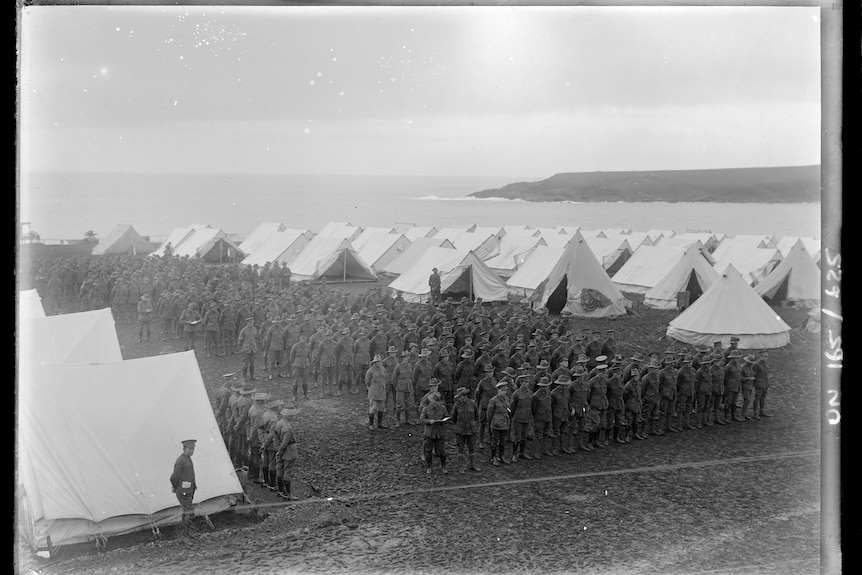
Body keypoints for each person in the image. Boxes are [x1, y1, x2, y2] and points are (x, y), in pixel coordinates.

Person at [170, 439, 197, 544]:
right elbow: (174, 477)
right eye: (190, 449)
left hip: (189, 490)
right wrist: (175, 486)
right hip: (183, 491)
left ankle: (187, 534)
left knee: (187, 512)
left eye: (193, 449)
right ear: (184, 449)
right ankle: (184, 536)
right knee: (189, 512)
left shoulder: (188, 459)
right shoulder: (180, 460)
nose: (192, 451)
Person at [450, 386, 480, 474]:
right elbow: (454, 417)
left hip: (471, 429)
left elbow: (476, 416)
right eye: (458, 397)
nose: (459, 399)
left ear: (465, 395)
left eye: (460, 396)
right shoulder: (457, 405)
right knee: (460, 448)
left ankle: (472, 465)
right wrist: (459, 424)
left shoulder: (473, 403)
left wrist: (474, 425)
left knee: (472, 447)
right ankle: (461, 467)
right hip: (460, 429)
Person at [419, 391, 450, 475]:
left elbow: (446, 417)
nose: (435, 404)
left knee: (442, 451)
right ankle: (429, 467)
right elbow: (421, 419)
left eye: (437, 402)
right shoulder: (426, 409)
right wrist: (429, 421)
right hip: (429, 433)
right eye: (434, 402)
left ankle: (444, 467)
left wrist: (444, 421)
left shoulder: (443, 408)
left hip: (440, 433)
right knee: (428, 451)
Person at [275, 406, 301, 500]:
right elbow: (285, 442)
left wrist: (278, 450)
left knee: (280, 470)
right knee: (287, 471)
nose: (293, 417)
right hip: (288, 451)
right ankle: (288, 493)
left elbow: (276, 436)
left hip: (281, 449)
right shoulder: (288, 427)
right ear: (289, 416)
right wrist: (280, 451)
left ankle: (280, 490)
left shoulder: (279, 423)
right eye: (292, 415)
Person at [392, 350, 416, 427]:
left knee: (408, 404)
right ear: (402, 358)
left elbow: (412, 376)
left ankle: (407, 419)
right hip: (400, 387)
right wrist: (397, 387)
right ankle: (398, 421)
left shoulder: (410, 366)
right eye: (405, 357)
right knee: (399, 404)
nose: (406, 359)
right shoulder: (398, 367)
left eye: (407, 357)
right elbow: (394, 379)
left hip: (408, 386)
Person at [531, 376, 554, 458]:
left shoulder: (549, 393)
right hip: (539, 418)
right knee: (537, 435)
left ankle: (545, 450)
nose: (544, 388)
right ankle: (536, 451)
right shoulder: (536, 396)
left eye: (546, 386)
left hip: (548, 416)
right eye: (543, 386)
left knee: (546, 434)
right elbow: (533, 409)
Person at [365, 354, 389, 430]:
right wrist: (371, 388)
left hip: (381, 390)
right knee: (373, 407)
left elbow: (385, 378)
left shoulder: (383, 369)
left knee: (381, 408)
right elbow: (367, 381)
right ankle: (371, 424)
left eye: (380, 362)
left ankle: (379, 423)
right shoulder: (370, 370)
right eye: (377, 362)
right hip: (374, 391)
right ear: (374, 363)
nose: (379, 363)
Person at [289, 333, 312, 401]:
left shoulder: (307, 346)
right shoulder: (295, 346)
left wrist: (308, 363)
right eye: (301, 337)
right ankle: (294, 395)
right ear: (299, 338)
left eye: (304, 337)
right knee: (296, 380)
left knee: (305, 380)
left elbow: (309, 356)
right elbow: (292, 356)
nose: (303, 339)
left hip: (305, 364)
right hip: (297, 364)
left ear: (306, 338)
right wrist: (293, 363)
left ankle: (305, 394)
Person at [238, 317, 259, 381]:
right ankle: (244, 377)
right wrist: (242, 348)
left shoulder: (254, 329)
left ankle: (252, 376)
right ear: (247, 323)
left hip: (253, 349)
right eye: (250, 322)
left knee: (252, 364)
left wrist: (256, 347)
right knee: (245, 364)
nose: (252, 324)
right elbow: (240, 340)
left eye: (252, 322)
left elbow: (256, 338)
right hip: (246, 349)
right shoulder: (244, 330)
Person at [753, 350, 771, 419]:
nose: (766, 358)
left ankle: (761, 411)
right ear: (760, 356)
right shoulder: (757, 365)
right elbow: (754, 375)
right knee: (757, 398)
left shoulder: (765, 364)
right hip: (759, 384)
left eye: (767, 357)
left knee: (763, 398)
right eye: (764, 356)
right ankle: (755, 413)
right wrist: (754, 384)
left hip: (765, 384)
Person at [740, 353, 757, 420]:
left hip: (750, 386)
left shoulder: (751, 367)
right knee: (747, 400)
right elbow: (740, 378)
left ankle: (745, 414)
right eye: (750, 362)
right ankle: (742, 415)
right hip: (744, 386)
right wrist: (748, 378)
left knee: (747, 400)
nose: (751, 363)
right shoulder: (742, 367)